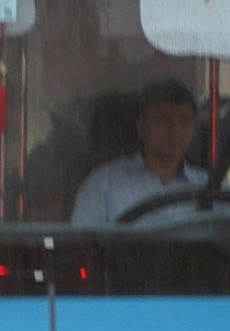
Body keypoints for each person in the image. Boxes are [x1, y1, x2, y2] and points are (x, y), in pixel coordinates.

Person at [72, 79, 210, 225]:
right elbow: (83, 245)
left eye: (185, 121)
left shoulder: (210, 185)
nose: (175, 131)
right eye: (164, 119)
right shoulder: (103, 184)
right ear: (142, 127)